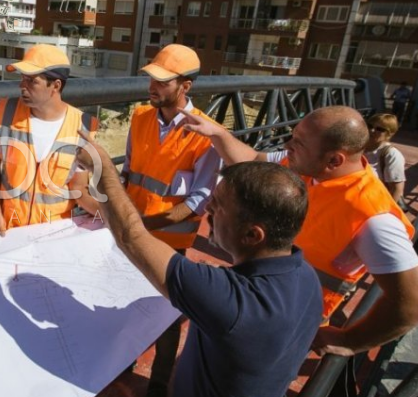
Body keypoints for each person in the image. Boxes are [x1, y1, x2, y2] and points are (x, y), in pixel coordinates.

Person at [75, 131, 323, 397]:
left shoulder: (231, 301)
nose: (208, 212)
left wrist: (104, 168)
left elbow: (131, 237)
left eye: (217, 207)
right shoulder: (306, 277)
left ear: (252, 235)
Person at [178, 106, 418, 362]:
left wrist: (349, 341)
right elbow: (254, 160)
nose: (288, 144)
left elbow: (410, 304)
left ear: (334, 160)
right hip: (255, 305)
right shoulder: (307, 166)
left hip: (289, 331)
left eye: (299, 143)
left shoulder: (374, 218)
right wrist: (217, 133)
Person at [124, 44, 222, 396]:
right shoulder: (139, 118)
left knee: (165, 320)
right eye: (152, 78)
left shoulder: (206, 133)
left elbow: (199, 199)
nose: (153, 86)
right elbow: (129, 175)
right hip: (131, 239)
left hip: (170, 246)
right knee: (123, 306)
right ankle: (122, 366)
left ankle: (159, 383)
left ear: (186, 86)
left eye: (163, 81)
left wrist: (146, 225)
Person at [0, 44, 100, 235]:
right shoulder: (5, 113)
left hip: (55, 236)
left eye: (31, 81)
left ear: (55, 85)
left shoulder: (83, 127)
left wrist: (110, 214)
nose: (22, 86)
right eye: (22, 79)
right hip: (11, 231)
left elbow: (78, 188)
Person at [365, 113, 407, 210]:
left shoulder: (391, 155)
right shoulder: (358, 147)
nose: (372, 130)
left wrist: (386, 212)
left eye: (380, 129)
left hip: (375, 207)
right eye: (370, 125)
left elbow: (397, 190)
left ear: (390, 133)